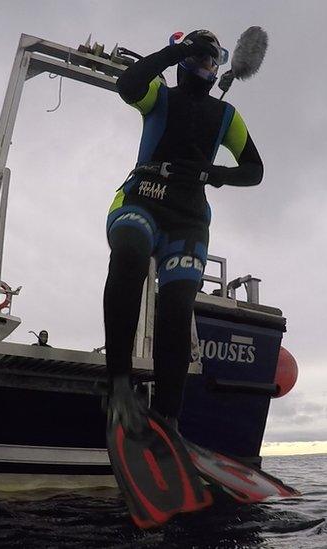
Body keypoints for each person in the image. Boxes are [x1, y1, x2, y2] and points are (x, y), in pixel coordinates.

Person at [103, 29, 264, 431]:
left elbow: (254, 170)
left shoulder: (225, 116)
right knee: (130, 256)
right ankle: (118, 384)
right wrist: (172, 53)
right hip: (139, 200)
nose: (203, 67)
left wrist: (214, 173)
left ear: (218, 69)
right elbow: (128, 84)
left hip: (189, 219)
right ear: (181, 61)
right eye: (195, 58)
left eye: (211, 60)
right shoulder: (158, 95)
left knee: (176, 310)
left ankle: (168, 418)